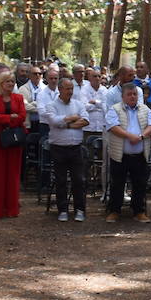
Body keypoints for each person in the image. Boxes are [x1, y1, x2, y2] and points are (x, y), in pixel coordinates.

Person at [104, 83, 151, 223]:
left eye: (135, 94)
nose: (133, 96)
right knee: (117, 184)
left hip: (140, 155)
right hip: (119, 155)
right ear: (123, 97)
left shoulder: (145, 109)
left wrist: (140, 136)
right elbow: (113, 126)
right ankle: (114, 211)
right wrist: (129, 136)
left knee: (140, 184)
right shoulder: (114, 109)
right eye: (129, 94)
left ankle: (139, 212)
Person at [43, 77, 90, 221]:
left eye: (71, 88)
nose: (70, 91)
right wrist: (73, 118)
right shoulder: (51, 105)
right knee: (61, 180)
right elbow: (54, 121)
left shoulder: (78, 104)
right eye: (67, 88)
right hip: (58, 148)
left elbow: (86, 120)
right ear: (60, 89)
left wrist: (66, 123)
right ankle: (62, 209)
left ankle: (79, 209)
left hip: (75, 148)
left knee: (78, 180)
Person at [0, 68, 27, 218]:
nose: (10, 84)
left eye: (12, 81)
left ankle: (12, 209)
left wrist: (2, 116)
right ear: (0, 84)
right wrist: (11, 117)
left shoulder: (18, 98)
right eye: (7, 81)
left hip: (15, 139)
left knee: (13, 174)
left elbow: (22, 116)